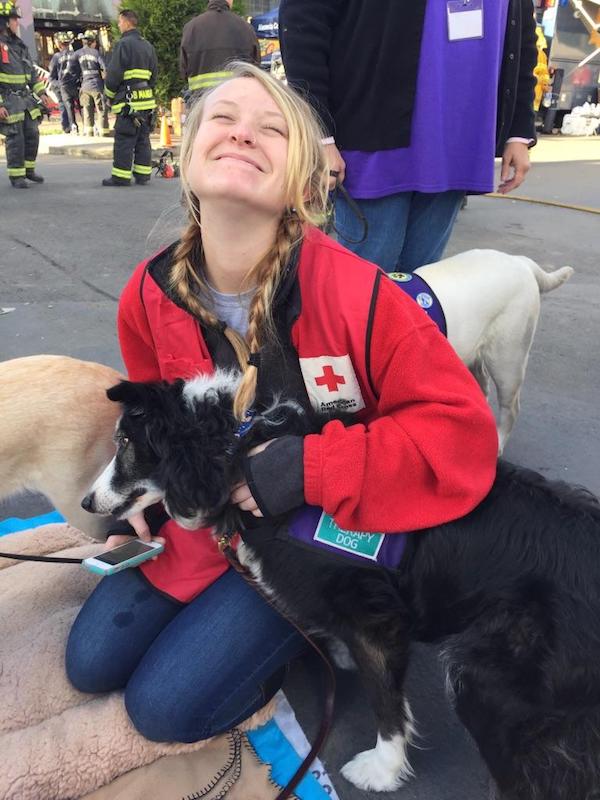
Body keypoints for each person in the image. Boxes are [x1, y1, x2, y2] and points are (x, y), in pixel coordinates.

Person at [65, 62, 498, 743]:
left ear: (305, 181)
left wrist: (310, 468)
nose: (243, 135)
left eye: (271, 130)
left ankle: (312, 634)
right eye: (224, 119)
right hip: (207, 523)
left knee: (163, 710)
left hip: (313, 540)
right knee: (89, 663)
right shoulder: (147, 294)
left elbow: (463, 437)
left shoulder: (364, 298)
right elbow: (154, 420)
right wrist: (146, 498)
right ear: (186, 153)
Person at [279, 0, 538, 273]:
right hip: (373, 134)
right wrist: (318, 131)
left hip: (460, 140)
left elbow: (521, 35)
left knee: (419, 292)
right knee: (366, 289)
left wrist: (519, 130)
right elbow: (303, 21)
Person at [102, 9, 157, 187]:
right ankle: (143, 175)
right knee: (142, 139)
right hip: (146, 101)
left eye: (119, 22)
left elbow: (114, 75)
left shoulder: (123, 44)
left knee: (125, 139)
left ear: (126, 22)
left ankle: (121, 176)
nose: (118, 25)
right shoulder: (147, 45)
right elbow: (153, 77)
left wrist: (109, 96)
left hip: (128, 102)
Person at [0, 0, 51, 187]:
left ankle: (29, 170)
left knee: (32, 133)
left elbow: (31, 73)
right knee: (16, 138)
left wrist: (42, 93)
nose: (17, 23)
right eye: (14, 20)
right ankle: (16, 176)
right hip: (8, 99)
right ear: (4, 22)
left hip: (25, 98)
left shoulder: (20, 46)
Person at [179, 0, 259, 104]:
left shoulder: (191, 28)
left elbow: (183, 71)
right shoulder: (245, 28)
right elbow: (256, 67)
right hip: (238, 104)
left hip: (201, 106)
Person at [72, 30, 109, 137]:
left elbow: (71, 70)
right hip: (97, 86)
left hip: (84, 87)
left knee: (87, 110)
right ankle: (104, 133)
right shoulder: (96, 53)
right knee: (101, 110)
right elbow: (105, 68)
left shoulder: (77, 54)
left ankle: (89, 133)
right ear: (93, 42)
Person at [49, 32, 79, 134]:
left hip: (61, 86)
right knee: (77, 105)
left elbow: (51, 75)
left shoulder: (56, 57)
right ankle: (80, 126)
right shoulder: (75, 55)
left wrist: (57, 84)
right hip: (75, 85)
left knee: (64, 105)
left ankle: (67, 127)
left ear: (59, 44)